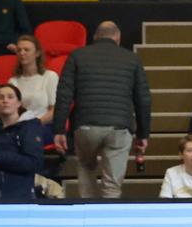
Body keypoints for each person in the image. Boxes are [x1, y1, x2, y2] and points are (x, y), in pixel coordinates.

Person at [52, 21, 152, 199]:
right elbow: (143, 99)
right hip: (119, 127)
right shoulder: (132, 59)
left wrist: (59, 128)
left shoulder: (77, 56)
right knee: (112, 185)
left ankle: (87, 216)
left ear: (95, 37)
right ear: (117, 38)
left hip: (85, 126)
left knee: (85, 166)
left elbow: (64, 94)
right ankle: (107, 221)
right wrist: (143, 134)